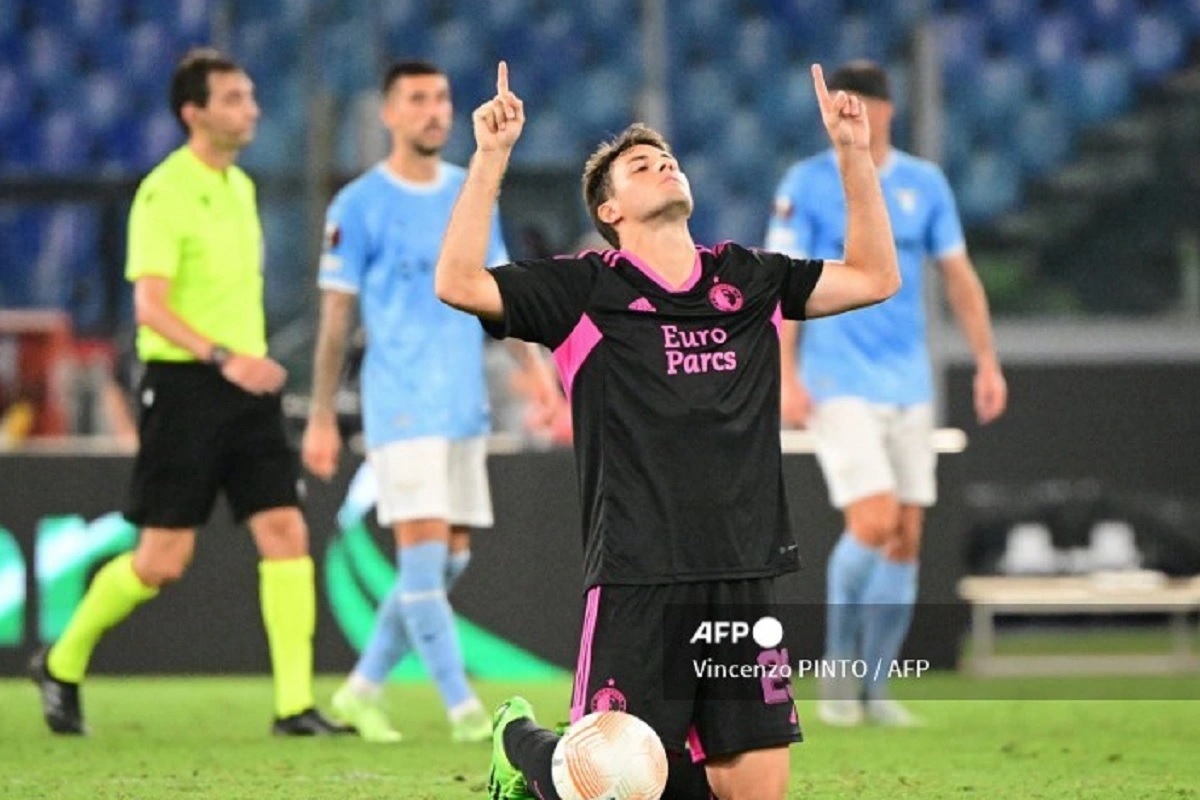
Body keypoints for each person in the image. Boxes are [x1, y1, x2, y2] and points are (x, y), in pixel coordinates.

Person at [436, 61, 900, 800]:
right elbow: (458, 284)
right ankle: (521, 746)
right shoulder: (585, 290)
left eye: (670, 160)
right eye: (642, 166)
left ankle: (566, 761)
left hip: (742, 572)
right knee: (611, 785)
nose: (665, 168)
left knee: (747, 794)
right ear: (610, 212)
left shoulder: (748, 278)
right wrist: (491, 157)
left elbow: (876, 275)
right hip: (637, 574)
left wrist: (853, 155)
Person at [28, 48, 348, 737]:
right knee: (161, 560)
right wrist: (225, 358)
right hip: (187, 388)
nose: (252, 108)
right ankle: (62, 660)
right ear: (193, 112)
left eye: (251, 95)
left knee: (286, 532)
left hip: (248, 388)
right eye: (234, 97)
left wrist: (245, 365)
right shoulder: (164, 191)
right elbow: (150, 307)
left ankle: (294, 706)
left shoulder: (239, 186)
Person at [301, 60, 558, 744]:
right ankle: (463, 711)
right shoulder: (357, 205)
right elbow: (335, 318)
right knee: (420, 561)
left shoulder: (467, 191)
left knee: (451, 560)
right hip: (402, 402)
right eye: (417, 99)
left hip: (461, 404)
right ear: (387, 112)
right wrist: (323, 413)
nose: (433, 111)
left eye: (441, 98)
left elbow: (497, 295)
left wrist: (537, 375)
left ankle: (360, 690)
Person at [766, 60, 1008, 727]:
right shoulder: (806, 183)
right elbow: (779, 285)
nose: (855, 116)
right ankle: (838, 677)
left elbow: (958, 276)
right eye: (845, 105)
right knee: (872, 522)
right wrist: (785, 374)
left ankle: (875, 691)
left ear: (887, 110)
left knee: (905, 536)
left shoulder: (924, 185)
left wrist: (986, 360)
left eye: (865, 105)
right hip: (837, 376)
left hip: (908, 379)